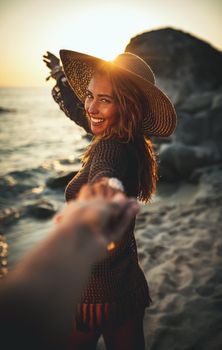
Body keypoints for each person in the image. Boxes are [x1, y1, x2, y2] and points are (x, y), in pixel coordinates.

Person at [43, 49, 177, 350]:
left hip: (99, 289)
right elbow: (82, 114)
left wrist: (106, 191)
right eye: (90, 95)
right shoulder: (129, 140)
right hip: (126, 279)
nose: (91, 106)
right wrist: (61, 76)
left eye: (105, 99)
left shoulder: (111, 149)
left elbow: (106, 174)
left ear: (128, 107)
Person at [0, 179, 139, 350]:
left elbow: (107, 169)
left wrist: (80, 222)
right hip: (119, 278)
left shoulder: (107, 150)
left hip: (104, 283)